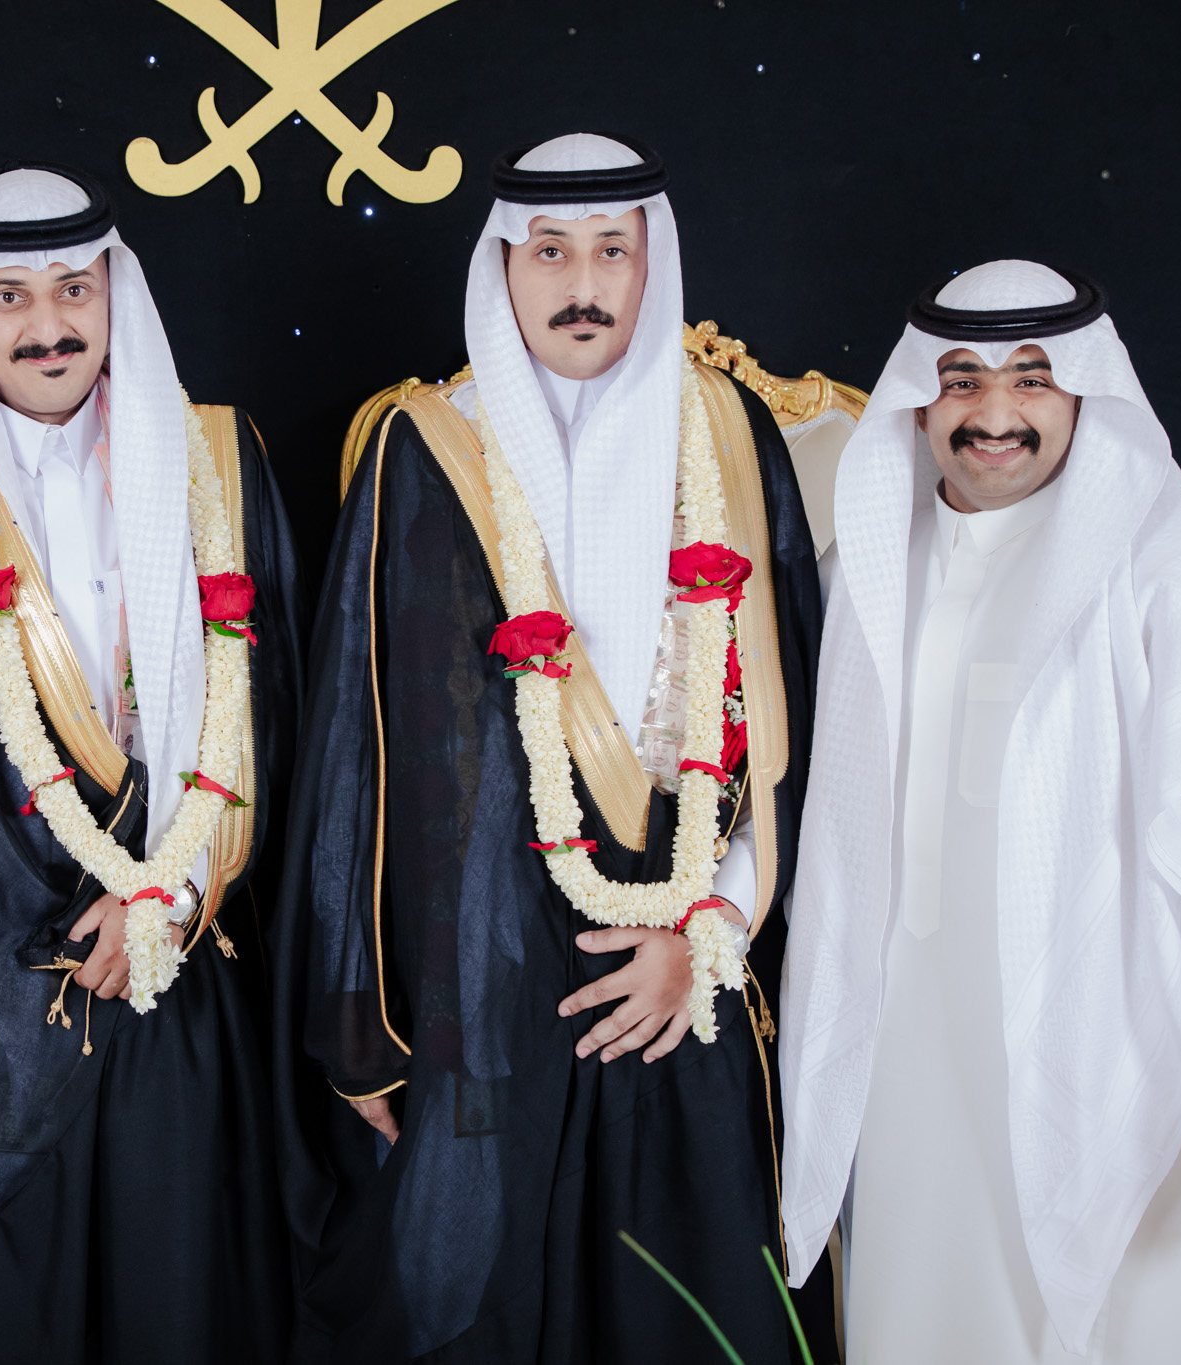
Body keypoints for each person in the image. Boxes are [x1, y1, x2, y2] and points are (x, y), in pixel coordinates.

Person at [273, 133, 823, 1363]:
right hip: (475, 992)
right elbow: (354, 752)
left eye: (611, 251)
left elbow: (791, 741)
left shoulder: (726, 435)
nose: (582, 284)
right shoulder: (425, 446)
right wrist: (361, 1030)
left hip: (689, 971)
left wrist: (710, 933)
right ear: (503, 267)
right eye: (550, 252)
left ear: (650, 263)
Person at [779, 260, 1181, 1362]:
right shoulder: (864, 573)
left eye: (1031, 378)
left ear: (1085, 391)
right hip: (908, 1076)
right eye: (961, 380)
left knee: (1171, 1330)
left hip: (1137, 1080)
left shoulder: (1179, 575)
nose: (994, 413)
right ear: (917, 400)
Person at [0, 163, 305, 1364]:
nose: (48, 326)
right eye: (10, 297)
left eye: (73, 289)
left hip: (169, 971)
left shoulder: (214, 460)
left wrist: (172, 895)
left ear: (112, 292)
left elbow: (273, 716)